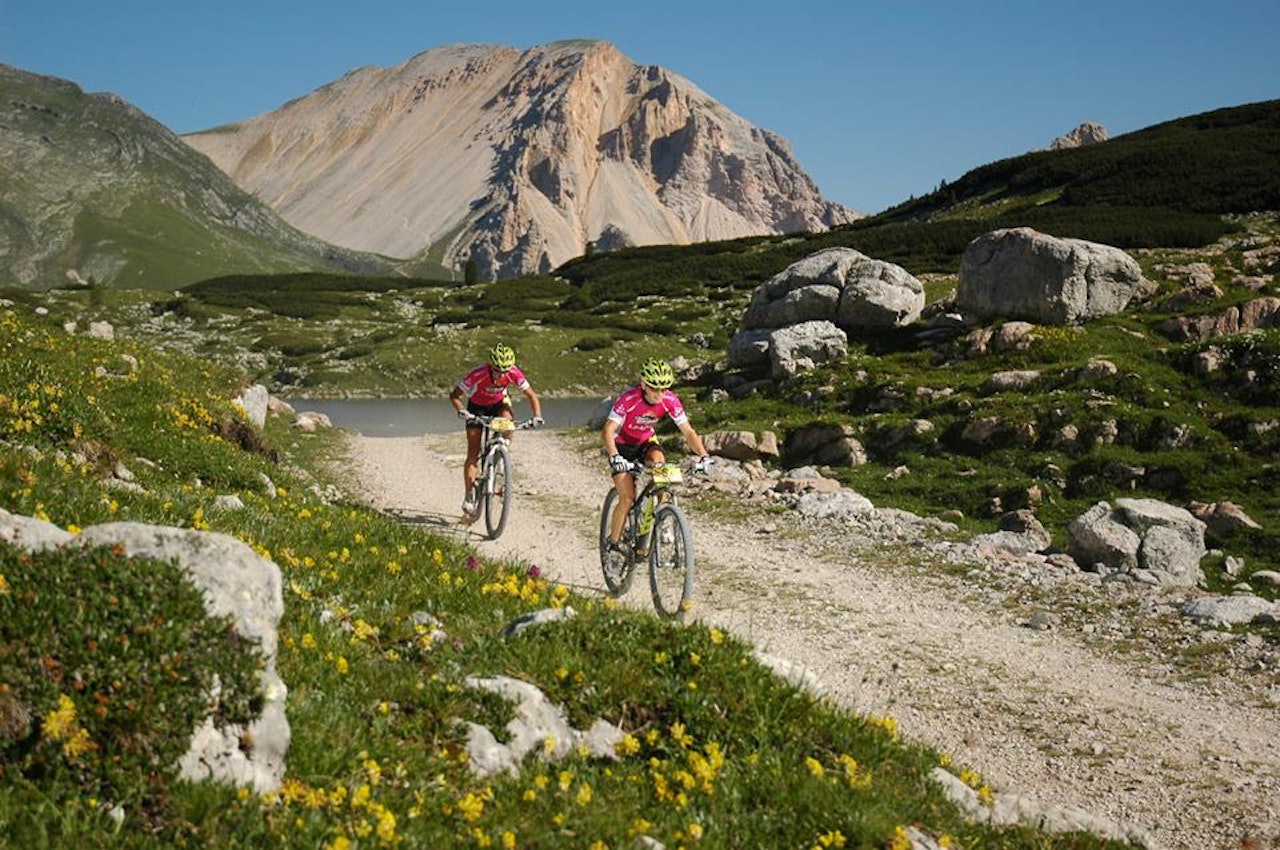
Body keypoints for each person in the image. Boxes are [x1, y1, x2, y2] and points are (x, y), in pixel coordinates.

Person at [601, 357, 712, 556]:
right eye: (654, 388)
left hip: (646, 442)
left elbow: (688, 432)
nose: (659, 394)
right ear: (643, 384)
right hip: (622, 446)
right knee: (627, 499)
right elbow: (608, 430)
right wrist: (615, 456)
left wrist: (704, 456)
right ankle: (613, 543)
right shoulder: (628, 399)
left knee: (660, 466)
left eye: (664, 389)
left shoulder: (670, 400)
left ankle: (663, 518)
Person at [449, 343, 543, 518]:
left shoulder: (513, 373)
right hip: (476, 408)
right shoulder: (478, 374)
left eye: (505, 371)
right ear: (491, 367)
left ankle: (502, 450)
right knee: (473, 451)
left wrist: (537, 415)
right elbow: (454, 395)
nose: (502, 375)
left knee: (508, 419)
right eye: (497, 370)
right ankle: (469, 495)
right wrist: (462, 411)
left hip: (499, 405)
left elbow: (531, 394)